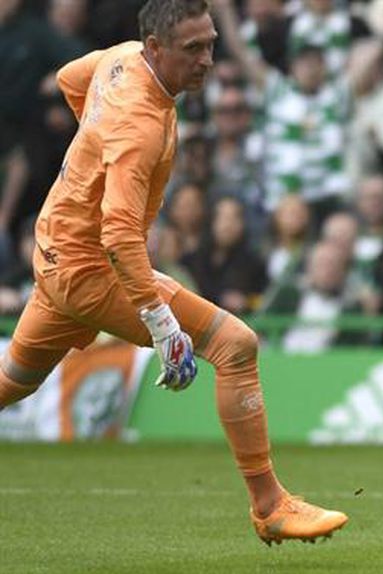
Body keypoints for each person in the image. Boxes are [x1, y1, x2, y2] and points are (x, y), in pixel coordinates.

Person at [0, 0, 347, 545]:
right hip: (90, 269)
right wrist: (162, 327)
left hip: (56, 256)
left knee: (11, 383)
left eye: (210, 44)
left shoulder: (120, 59)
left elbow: (70, 79)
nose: (207, 59)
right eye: (193, 49)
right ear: (156, 48)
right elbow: (118, 236)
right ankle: (271, 507)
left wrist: (95, 150)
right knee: (235, 345)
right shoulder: (137, 124)